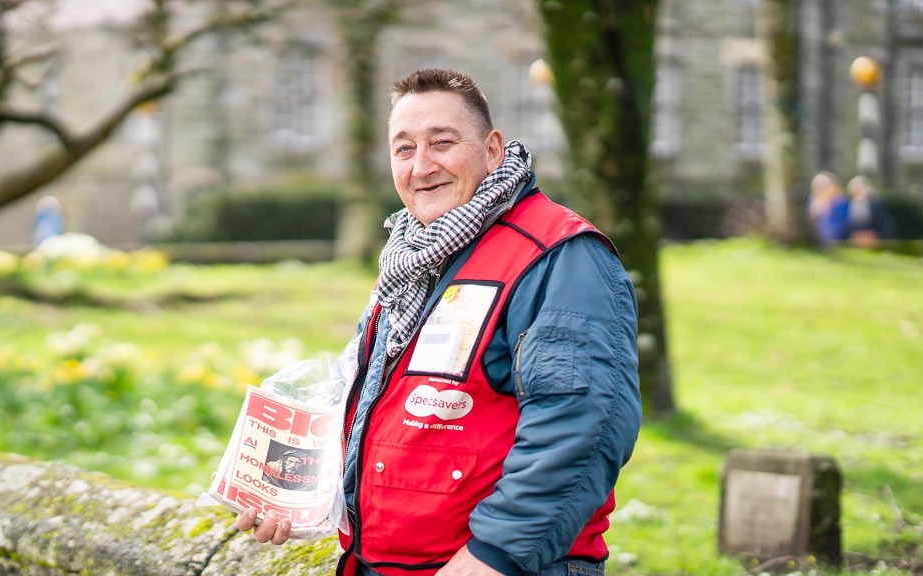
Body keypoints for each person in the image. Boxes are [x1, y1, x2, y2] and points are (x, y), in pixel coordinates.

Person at [236, 68, 642, 576]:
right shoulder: (410, 257)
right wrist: (298, 496)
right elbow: (376, 409)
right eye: (403, 150)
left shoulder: (558, 255)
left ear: (493, 149)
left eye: (442, 143)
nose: (421, 166)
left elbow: (585, 425)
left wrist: (493, 556)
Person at [845, 175, 895, 248]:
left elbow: (885, 225)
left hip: (876, 242)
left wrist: (875, 236)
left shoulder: (876, 203)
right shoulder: (851, 205)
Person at [807, 171, 849, 245]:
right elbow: (811, 218)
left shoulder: (838, 200)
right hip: (818, 234)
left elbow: (843, 219)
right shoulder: (813, 199)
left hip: (837, 234)